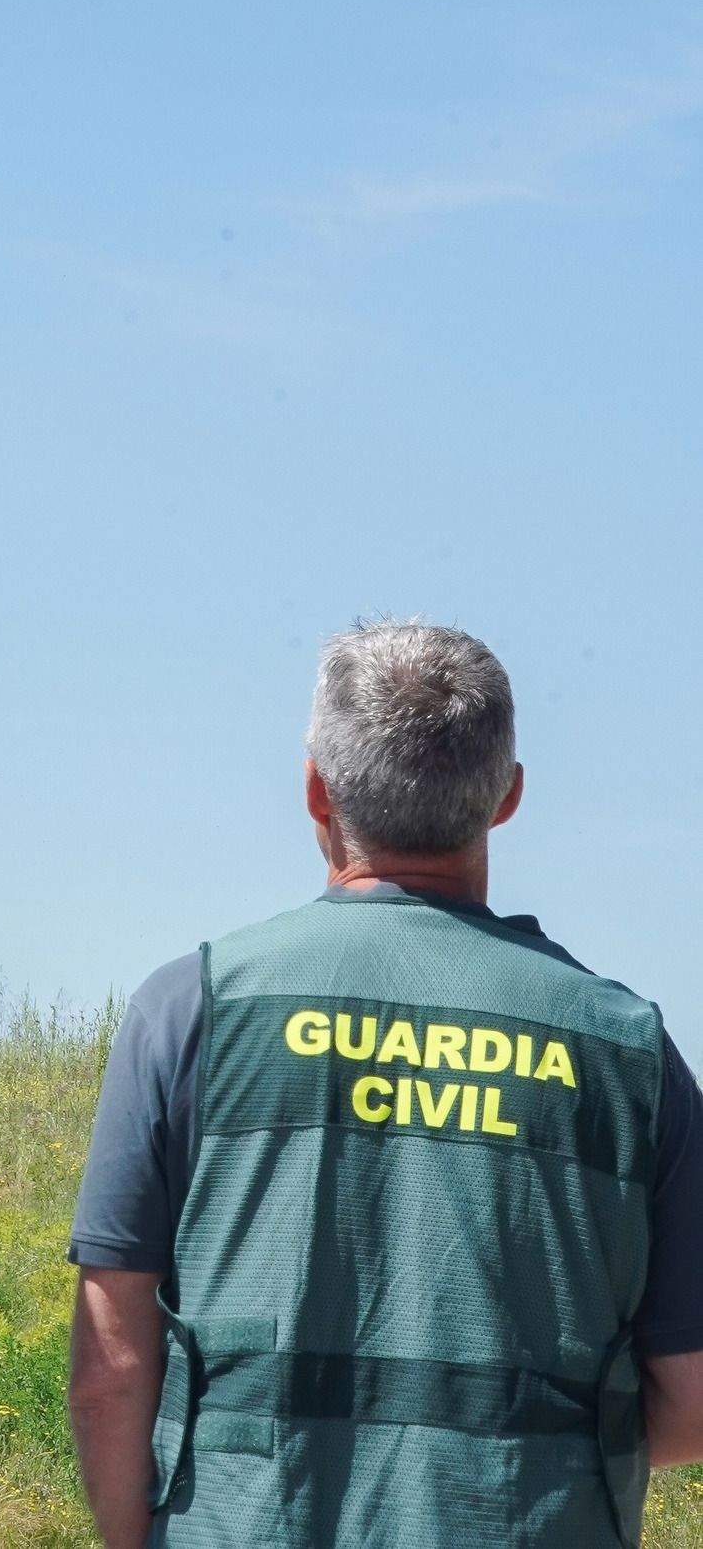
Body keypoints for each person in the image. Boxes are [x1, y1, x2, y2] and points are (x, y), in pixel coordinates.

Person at [68, 619, 703, 1548]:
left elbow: (111, 1370)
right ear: (508, 798)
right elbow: (690, 1400)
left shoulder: (193, 1010)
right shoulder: (628, 1049)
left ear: (316, 789)